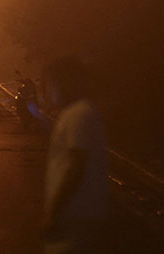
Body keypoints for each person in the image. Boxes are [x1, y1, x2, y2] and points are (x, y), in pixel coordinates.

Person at [42, 56, 107, 253]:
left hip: (74, 213)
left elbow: (76, 167)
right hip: (77, 212)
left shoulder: (78, 115)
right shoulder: (80, 112)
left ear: (64, 82)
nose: (48, 90)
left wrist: (54, 212)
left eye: (51, 83)